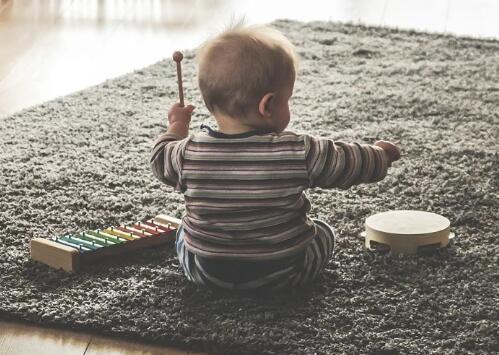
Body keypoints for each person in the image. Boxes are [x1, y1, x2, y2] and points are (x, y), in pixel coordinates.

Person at [150, 23, 401, 294]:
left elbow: (159, 158)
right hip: (284, 273)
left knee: (182, 232)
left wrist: (177, 125)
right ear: (267, 106)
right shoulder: (297, 151)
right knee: (324, 231)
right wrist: (380, 155)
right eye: (287, 100)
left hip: (207, 273)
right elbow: (347, 162)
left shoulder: (186, 153)